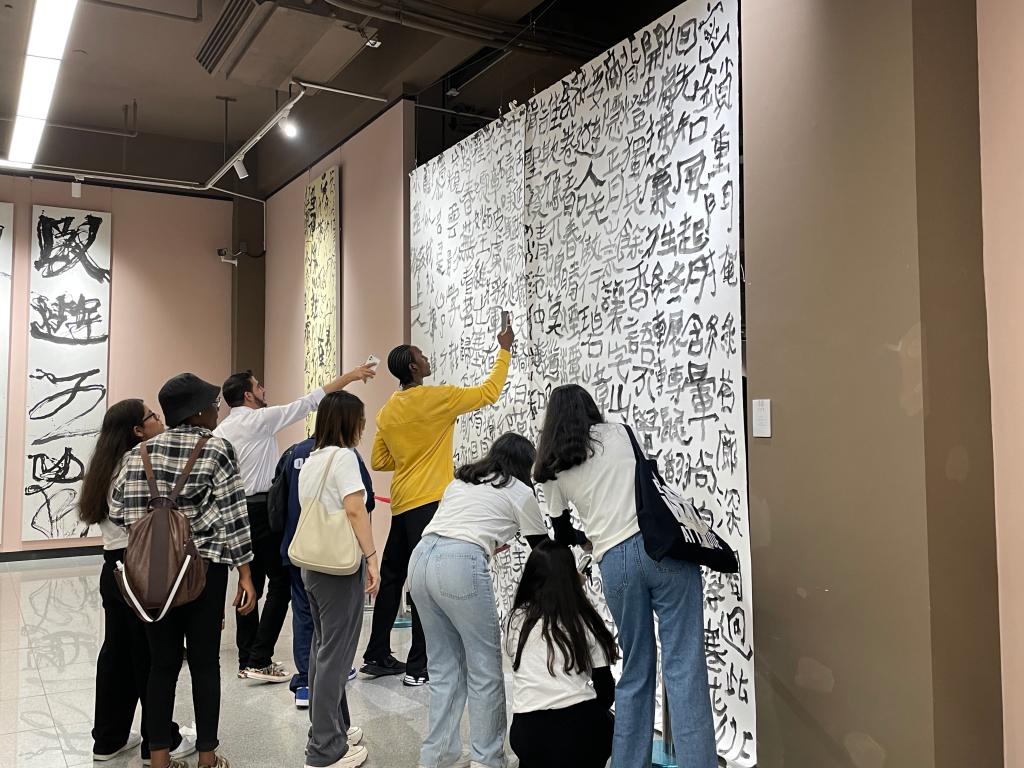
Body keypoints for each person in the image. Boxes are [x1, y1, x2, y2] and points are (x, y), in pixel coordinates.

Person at [534, 385, 717, 768]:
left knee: (635, 667)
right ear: (589, 408)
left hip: (615, 563)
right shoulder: (618, 433)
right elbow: (650, 487)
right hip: (660, 549)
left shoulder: (551, 469)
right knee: (684, 665)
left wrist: (589, 540)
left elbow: (561, 532)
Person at [111, 373, 258, 768]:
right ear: (196, 412)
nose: (217, 411)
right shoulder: (216, 449)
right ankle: (207, 758)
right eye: (212, 405)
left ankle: (159, 759)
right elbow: (234, 515)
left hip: (151, 574)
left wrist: (154, 530)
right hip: (203, 571)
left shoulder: (138, 454)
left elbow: (117, 510)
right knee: (206, 663)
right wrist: (245, 573)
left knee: (161, 665)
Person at [363, 327, 515, 686]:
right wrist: (504, 350)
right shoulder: (439, 398)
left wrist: (409, 455)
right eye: (422, 356)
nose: (427, 358)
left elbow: (379, 460)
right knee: (424, 584)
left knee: (394, 579)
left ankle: (376, 654)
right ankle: (419, 667)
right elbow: (489, 392)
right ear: (413, 368)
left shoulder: (388, 412)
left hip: (401, 503)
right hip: (430, 503)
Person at [214, 363, 376, 683]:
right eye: (258, 386)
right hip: (260, 510)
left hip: (235, 510)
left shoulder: (221, 431)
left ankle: (248, 657)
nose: (263, 390)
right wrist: (352, 376)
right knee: (281, 583)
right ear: (248, 396)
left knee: (249, 583)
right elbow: (311, 401)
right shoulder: (261, 419)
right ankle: (260, 657)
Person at [408, 433, 548, 768]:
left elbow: (459, 526)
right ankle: (487, 759)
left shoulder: (461, 482)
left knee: (444, 668)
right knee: (484, 668)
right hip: (461, 563)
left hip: (421, 559)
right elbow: (542, 549)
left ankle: (437, 757)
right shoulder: (519, 490)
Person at [79, 400, 195, 764]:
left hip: (112, 567)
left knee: (116, 653)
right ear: (138, 430)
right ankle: (158, 742)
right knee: (152, 654)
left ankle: (108, 739)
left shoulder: (104, 466)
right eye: (152, 416)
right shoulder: (139, 464)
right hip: (142, 567)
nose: (160, 419)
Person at [297, 391, 380, 768]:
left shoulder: (312, 459)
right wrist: (372, 558)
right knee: (336, 655)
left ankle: (334, 727)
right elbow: (355, 510)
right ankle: (325, 748)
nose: (363, 426)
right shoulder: (344, 457)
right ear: (349, 422)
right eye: (360, 420)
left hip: (313, 566)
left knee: (322, 648)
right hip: (339, 569)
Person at [275, 431, 376, 708]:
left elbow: (280, 497)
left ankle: (305, 682)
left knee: (305, 618)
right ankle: (326, 726)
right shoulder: (347, 456)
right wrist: (371, 557)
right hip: (334, 557)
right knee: (335, 640)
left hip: (301, 549)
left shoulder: (296, 453)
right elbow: (361, 504)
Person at [505, 540, 618, 768]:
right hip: (578, 732)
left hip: (527, 732)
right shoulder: (582, 620)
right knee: (603, 725)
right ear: (571, 578)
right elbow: (606, 693)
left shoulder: (515, 619)